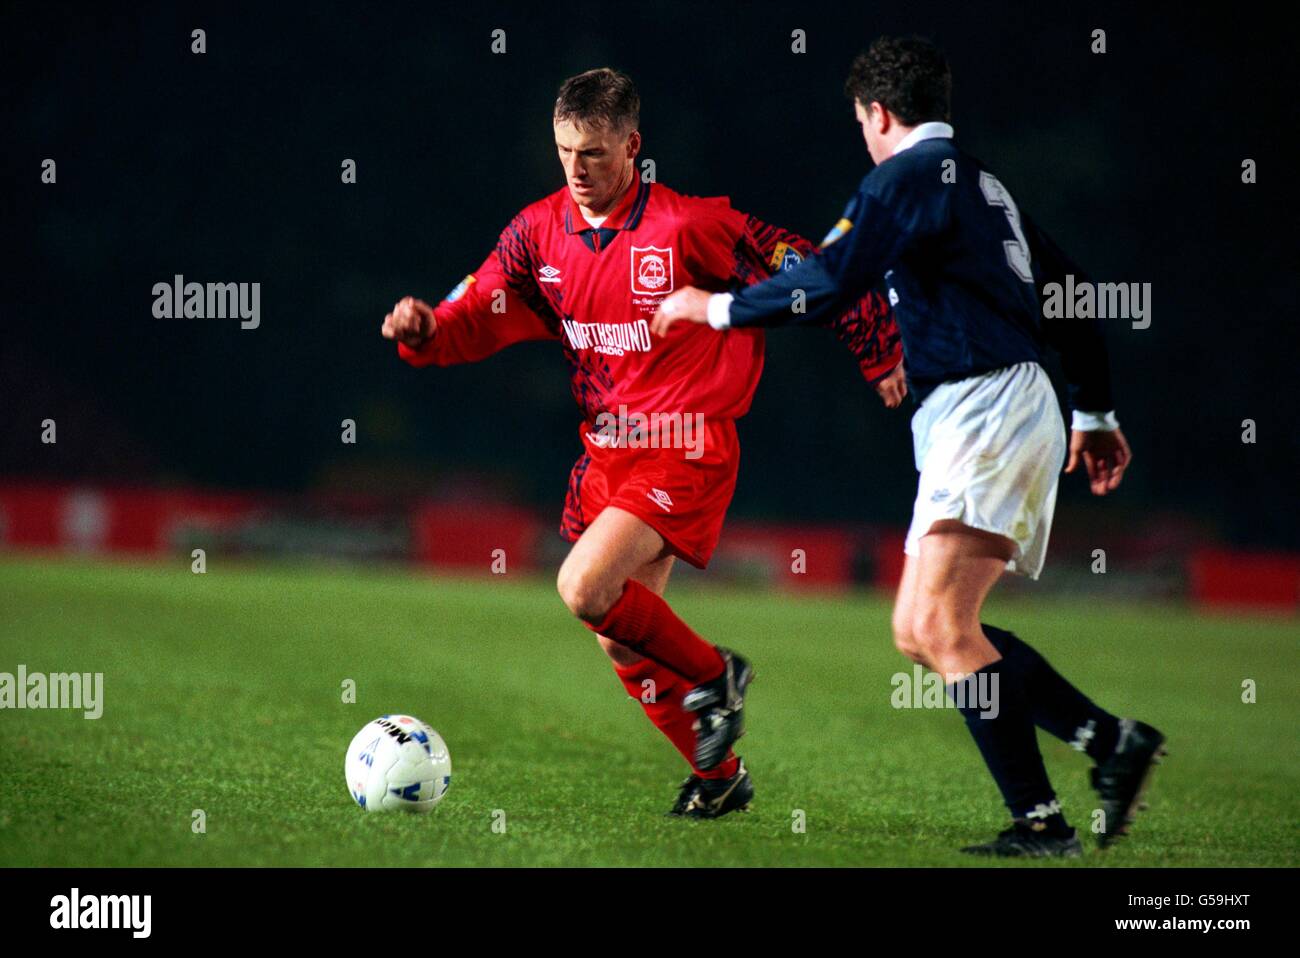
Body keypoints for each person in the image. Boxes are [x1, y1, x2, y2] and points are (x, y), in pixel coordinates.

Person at [652, 38, 1163, 855]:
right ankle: (1108, 744)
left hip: (985, 404)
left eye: (861, 122)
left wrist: (708, 309)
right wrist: (1094, 412)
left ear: (879, 113)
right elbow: (1071, 292)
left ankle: (1043, 820)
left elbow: (826, 281)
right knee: (924, 629)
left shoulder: (907, 177)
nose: (863, 136)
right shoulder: (980, 183)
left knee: (940, 623)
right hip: (1000, 404)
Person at [383, 68, 904, 818]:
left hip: (685, 444)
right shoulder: (538, 233)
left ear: (632, 146)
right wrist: (428, 329)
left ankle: (717, 675)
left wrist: (876, 342)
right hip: (609, 454)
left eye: (593, 152)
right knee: (623, 642)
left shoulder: (688, 227)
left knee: (583, 588)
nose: (576, 169)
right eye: (564, 151)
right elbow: (483, 304)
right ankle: (721, 778)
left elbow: (811, 271)